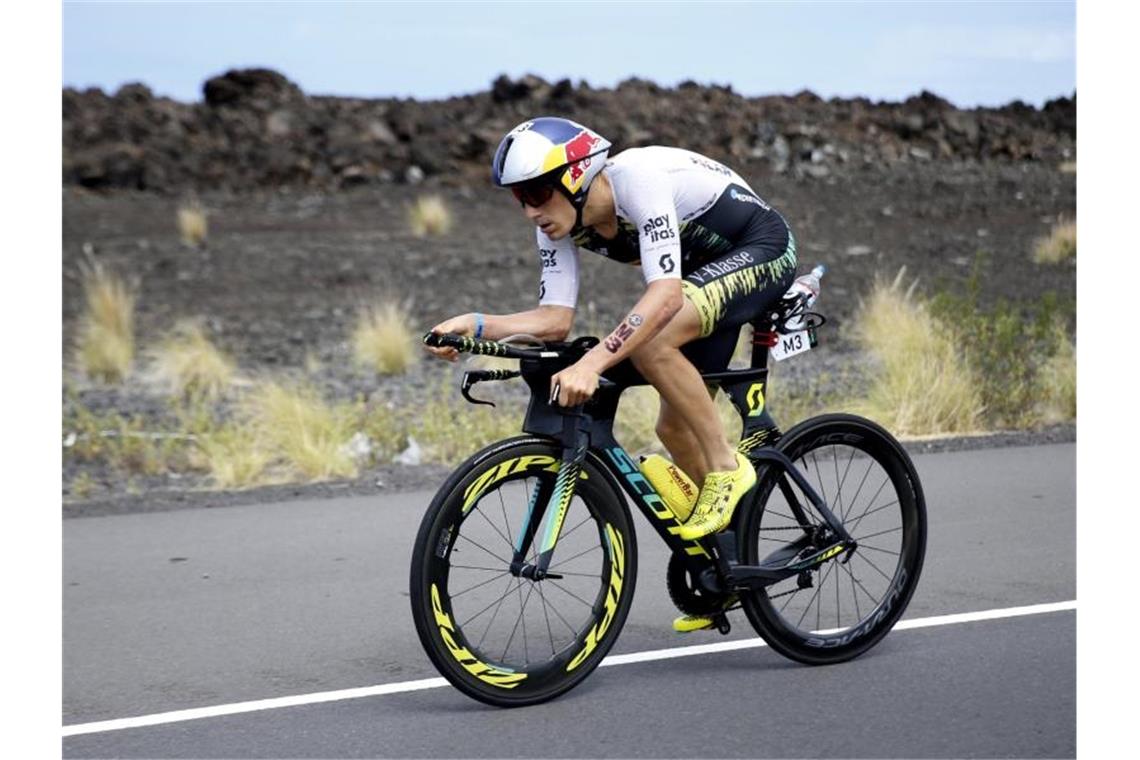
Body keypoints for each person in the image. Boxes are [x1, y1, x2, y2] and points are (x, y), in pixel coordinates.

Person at [426, 117, 798, 626]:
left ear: (576, 175)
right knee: (670, 426)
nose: (531, 210)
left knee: (653, 345)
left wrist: (596, 360)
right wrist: (477, 325)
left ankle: (727, 470)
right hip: (701, 280)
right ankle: (730, 563)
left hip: (760, 250)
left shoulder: (637, 180)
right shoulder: (559, 225)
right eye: (520, 198)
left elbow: (664, 294)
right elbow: (555, 322)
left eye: (537, 192)